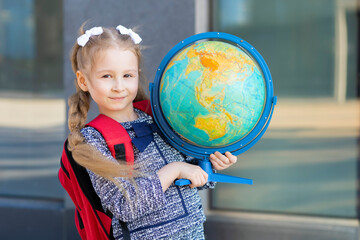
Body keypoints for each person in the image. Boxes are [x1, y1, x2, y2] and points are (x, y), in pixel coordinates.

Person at [67, 23, 237, 240]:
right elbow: (124, 206)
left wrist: (211, 165)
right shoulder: (94, 139)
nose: (119, 86)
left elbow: (190, 172)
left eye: (127, 75)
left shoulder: (157, 119)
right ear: (84, 80)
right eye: (106, 76)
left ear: (137, 75)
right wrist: (174, 170)